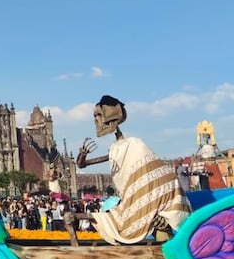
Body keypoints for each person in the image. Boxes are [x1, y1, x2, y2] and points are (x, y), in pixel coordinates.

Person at [66, 95, 192, 245]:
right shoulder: (115, 149)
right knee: (123, 222)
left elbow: (153, 170)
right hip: (137, 199)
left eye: (99, 115)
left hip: (149, 198)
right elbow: (81, 165)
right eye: (94, 116)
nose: (96, 121)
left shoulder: (134, 144)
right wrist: (82, 154)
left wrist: (153, 195)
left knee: (123, 223)